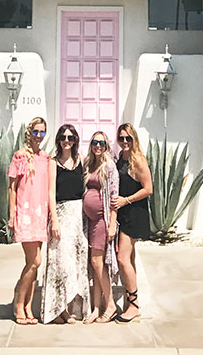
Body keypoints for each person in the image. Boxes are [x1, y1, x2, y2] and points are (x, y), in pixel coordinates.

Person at [42, 123, 89, 324]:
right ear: (59, 140)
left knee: (77, 263)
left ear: (76, 140)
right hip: (61, 214)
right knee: (60, 262)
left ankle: (74, 308)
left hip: (79, 216)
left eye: (71, 138)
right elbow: (51, 193)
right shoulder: (53, 163)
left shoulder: (82, 160)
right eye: (63, 137)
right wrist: (54, 220)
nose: (67, 141)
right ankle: (58, 309)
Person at [7, 117, 50, 324]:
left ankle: (28, 307)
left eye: (42, 132)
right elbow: (12, 188)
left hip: (41, 214)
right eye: (36, 132)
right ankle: (18, 303)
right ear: (29, 132)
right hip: (25, 214)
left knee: (33, 264)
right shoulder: (20, 156)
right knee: (35, 261)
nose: (39, 136)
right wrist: (11, 215)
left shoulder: (45, 158)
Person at [112, 122, 153, 323]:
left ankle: (134, 305)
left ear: (134, 138)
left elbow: (148, 188)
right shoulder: (121, 158)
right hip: (123, 213)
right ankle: (131, 302)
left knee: (122, 258)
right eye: (121, 138)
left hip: (134, 213)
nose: (125, 142)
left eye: (128, 138)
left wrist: (125, 200)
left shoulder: (138, 161)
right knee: (130, 259)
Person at [81, 130, 119, 323]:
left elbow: (114, 198)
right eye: (95, 142)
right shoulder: (89, 164)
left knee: (97, 263)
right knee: (95, 266)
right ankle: (96, 308)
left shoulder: (110, 167)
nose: (98, 146)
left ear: (106, 146)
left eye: (102, 143)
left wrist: (112, 224)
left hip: (102, 222)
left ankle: (110, 304)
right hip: (90, 222)